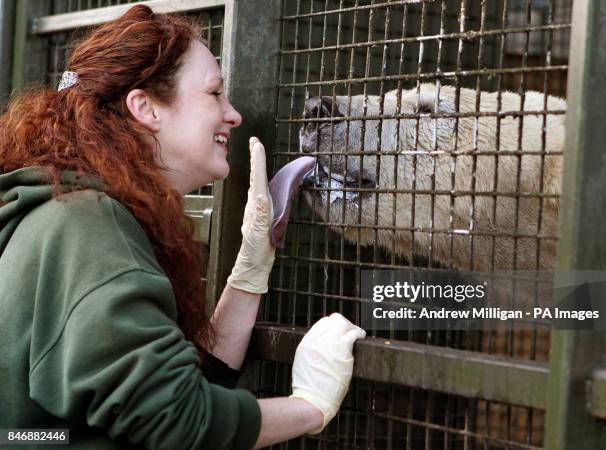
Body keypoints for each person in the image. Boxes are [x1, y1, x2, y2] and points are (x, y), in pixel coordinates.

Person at [0, 5, 365, 449]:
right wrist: (310, 406)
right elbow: (176, 421)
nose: (232, 114)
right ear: (146, 107)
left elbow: (164, 394)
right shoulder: (86, 225)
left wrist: (249, 272)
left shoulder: (65, 210)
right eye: (214, 93)